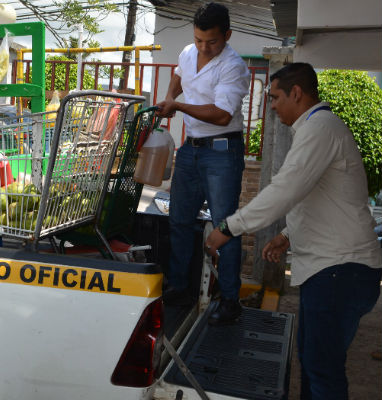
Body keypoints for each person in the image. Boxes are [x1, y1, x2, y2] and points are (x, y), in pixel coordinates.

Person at [205, 62, 382, 399]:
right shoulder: (316, 128)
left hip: (340, 272)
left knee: (323, 370)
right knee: (313, 363)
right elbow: (313, 194)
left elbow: (285, 188)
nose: (270, 106)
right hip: (334, 271)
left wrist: (229, 227)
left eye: (274, 97)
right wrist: (286, 235)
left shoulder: (320, 128)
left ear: (296, 94)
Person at [155, 2, 250, 324]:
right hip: (190, 149)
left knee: (226, 225)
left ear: (227, 35)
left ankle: (231, 300)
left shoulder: (233, 66)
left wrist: (177, 106)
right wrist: (170, 97)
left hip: (222, 152)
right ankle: (180, 287)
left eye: (211, 41)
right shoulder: (187, 52)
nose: (204, 47)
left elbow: (222, 115)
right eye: (198, 40)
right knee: (179, 221)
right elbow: (179, 75)